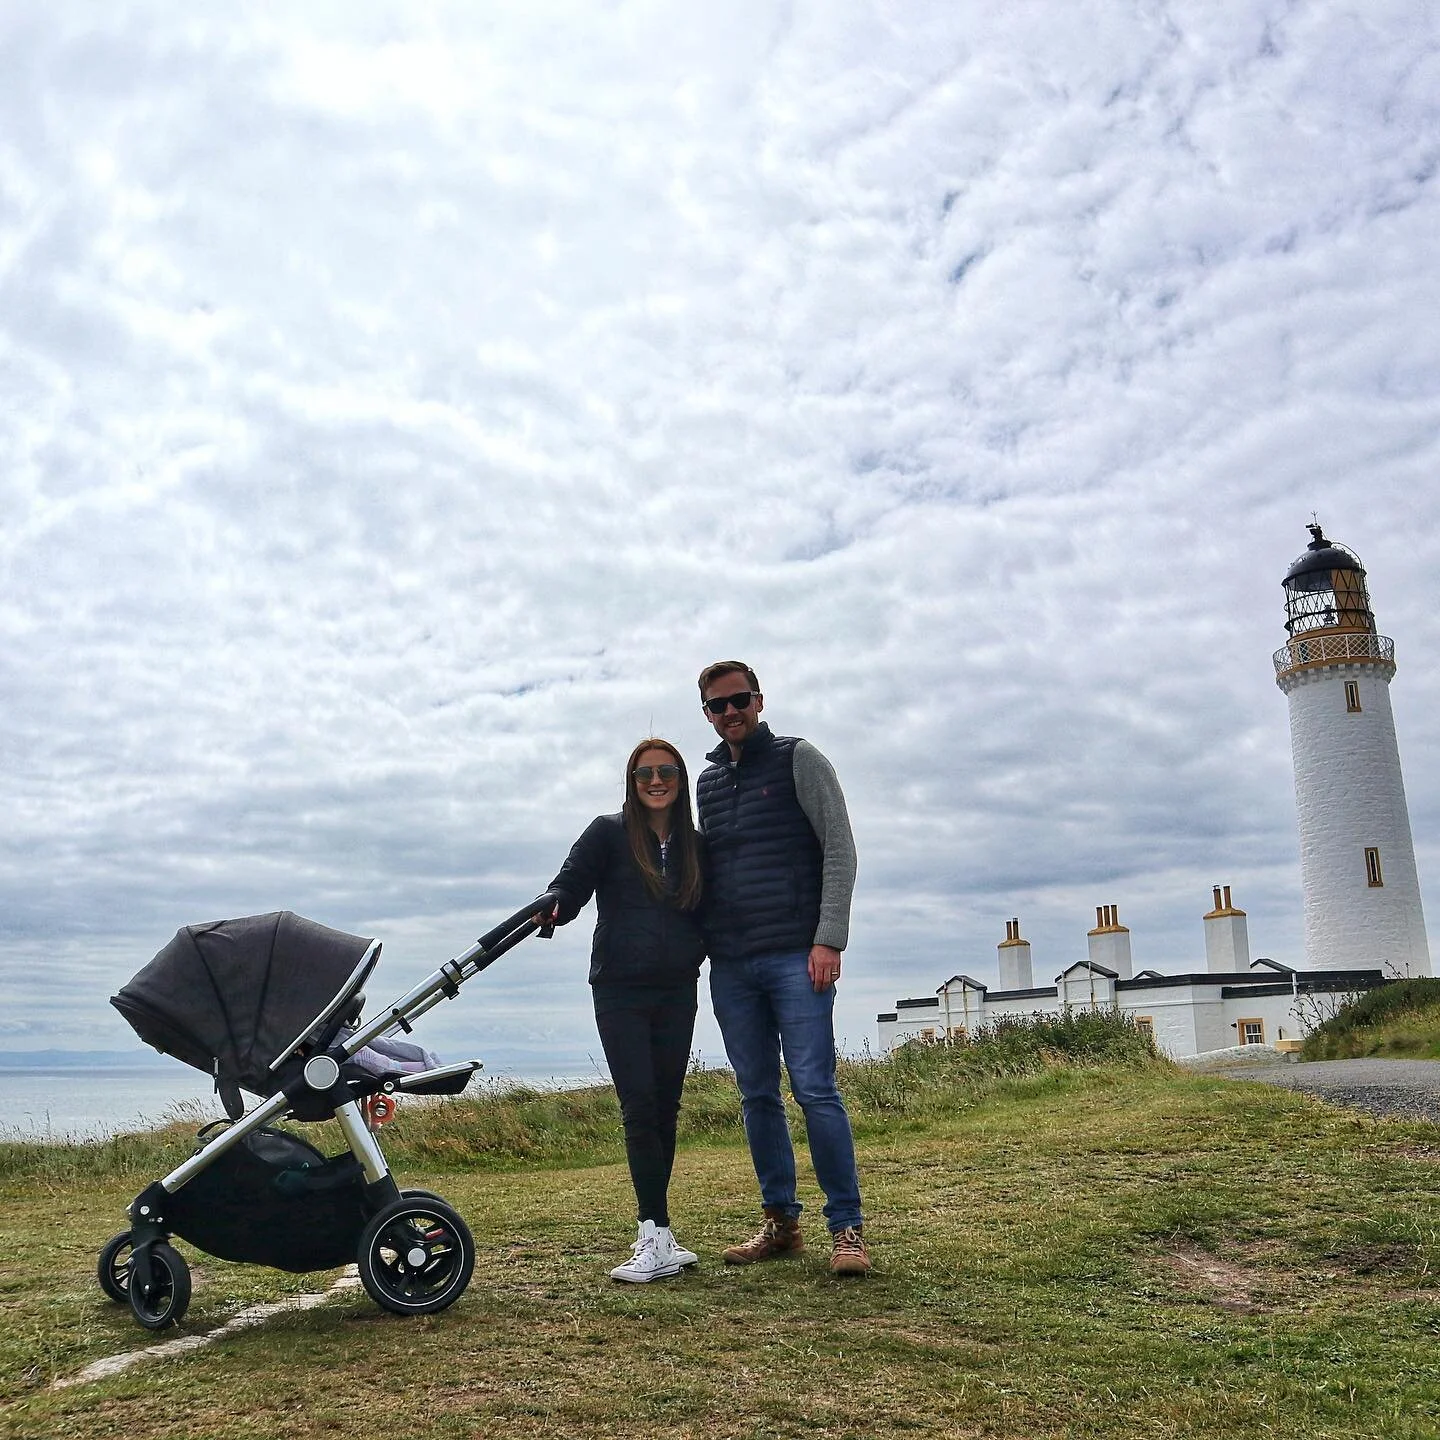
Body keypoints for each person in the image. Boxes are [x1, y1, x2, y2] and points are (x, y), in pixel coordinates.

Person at [694, 661, 871, 1276]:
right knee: (757, 1094)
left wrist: (829, 939)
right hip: (733, 964)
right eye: (717, 706)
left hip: (799, 957)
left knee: (815, 1088)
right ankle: (781, 1224)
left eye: (738, 700)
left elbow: (840, 849)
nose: (730, 712)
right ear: (708, 714)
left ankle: (846, 1229)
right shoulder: (708, 783)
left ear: (760, 701)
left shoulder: (801, 759)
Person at [536, 738, 707, 1283]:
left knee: (666, 1107)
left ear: (680, 779)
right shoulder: (607, 833)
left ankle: (662, 1235)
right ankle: (650, 1231)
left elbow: (716, 910)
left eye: (667, 771)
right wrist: (553, 906)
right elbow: (570, 885)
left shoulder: (696, 847)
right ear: (631, 782)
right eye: (644, 773)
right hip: (619, 990)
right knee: (639, 1106)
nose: (656, 781)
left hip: (678, 989)